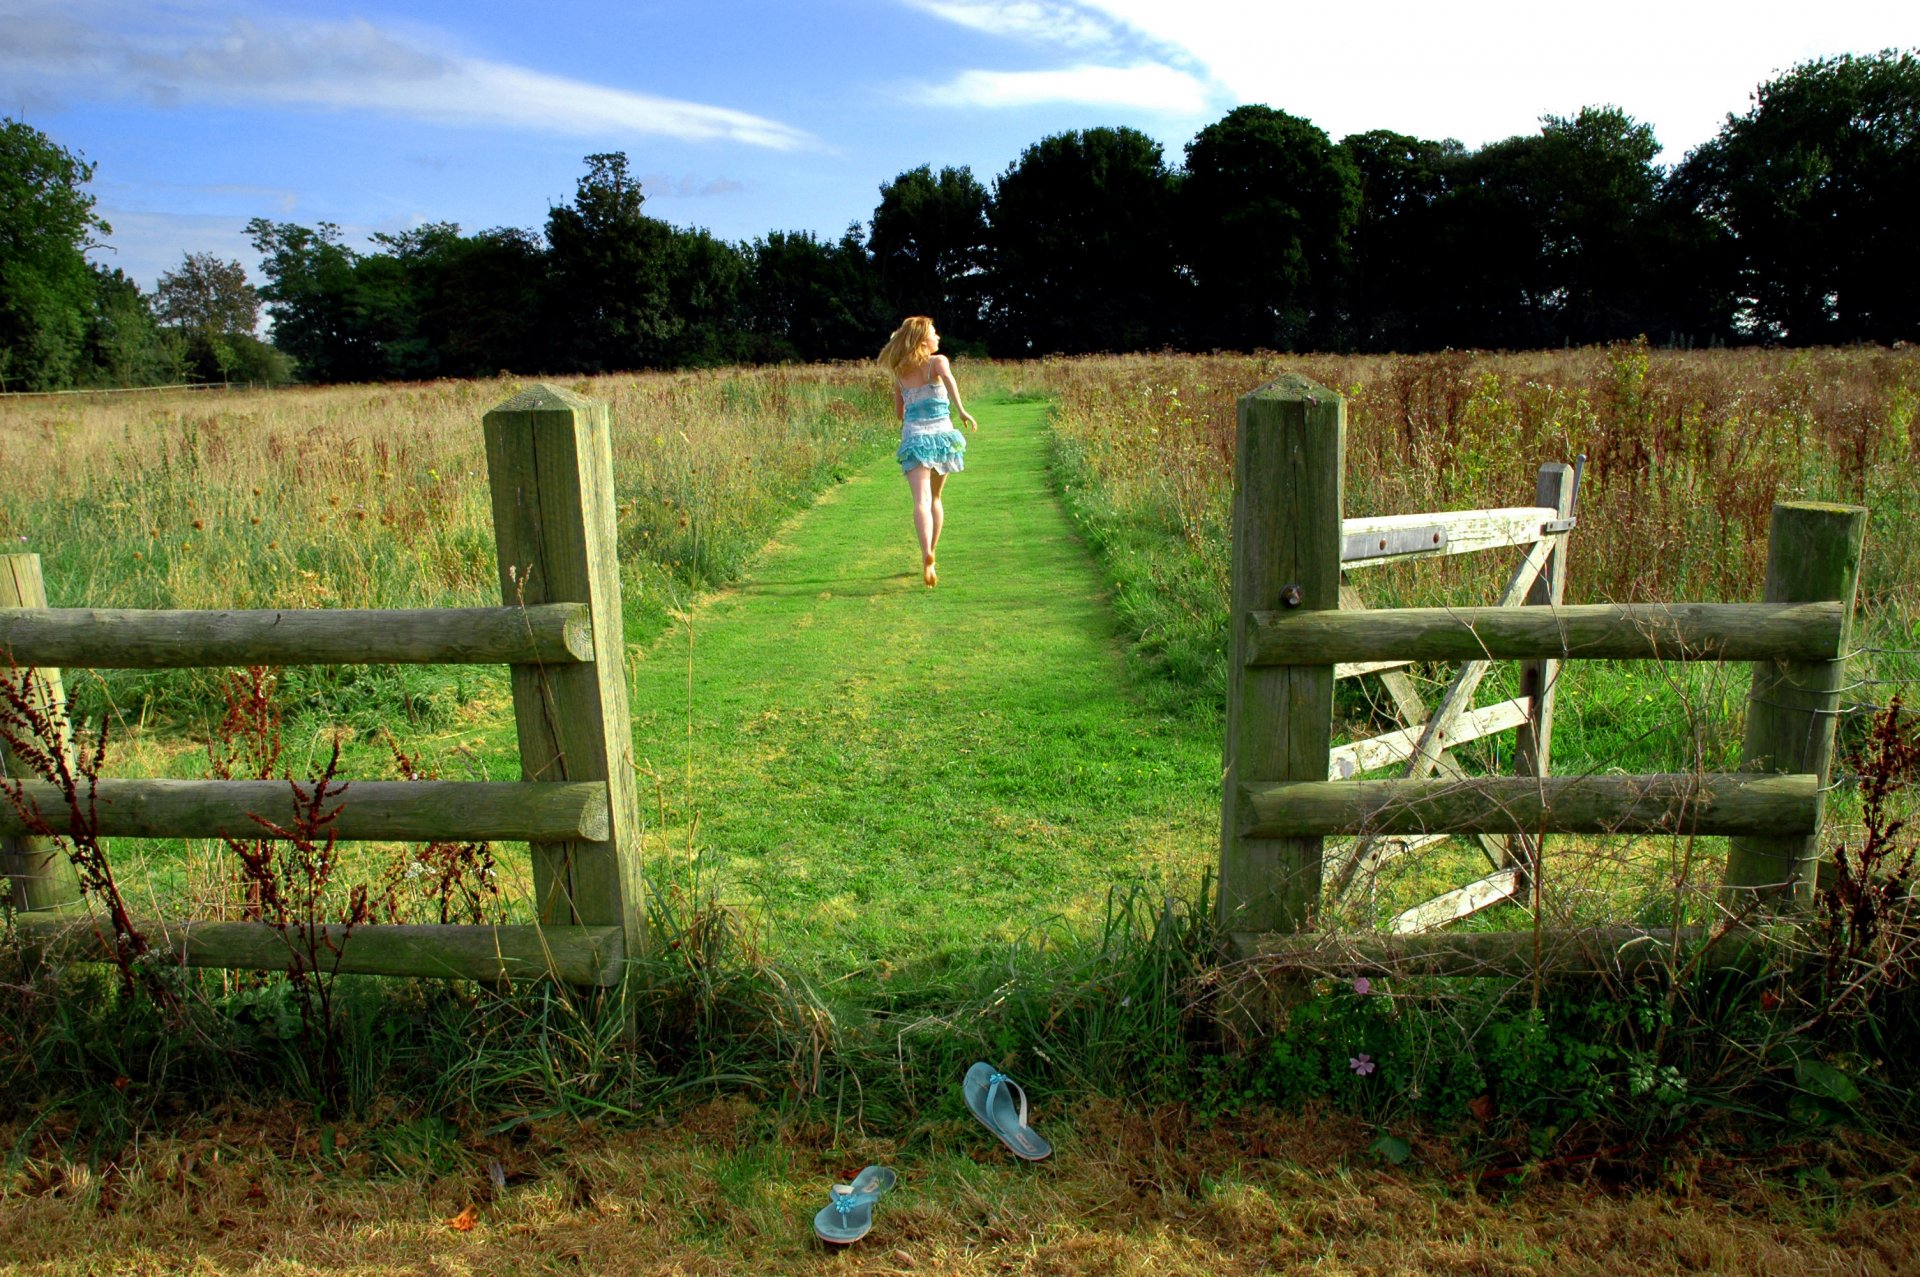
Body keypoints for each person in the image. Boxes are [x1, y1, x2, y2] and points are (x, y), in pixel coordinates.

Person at [878, 316, 976, 588]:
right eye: (934, 333)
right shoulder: (938, 362)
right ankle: (933, 551)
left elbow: (900, 413)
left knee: (920, 501)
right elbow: (950, 382)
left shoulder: (899, 371)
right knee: (935, 498)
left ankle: (925, 555)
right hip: (942, 435)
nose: (938, 338)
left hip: (915, 437)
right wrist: (962, 411)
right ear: (924, 340)